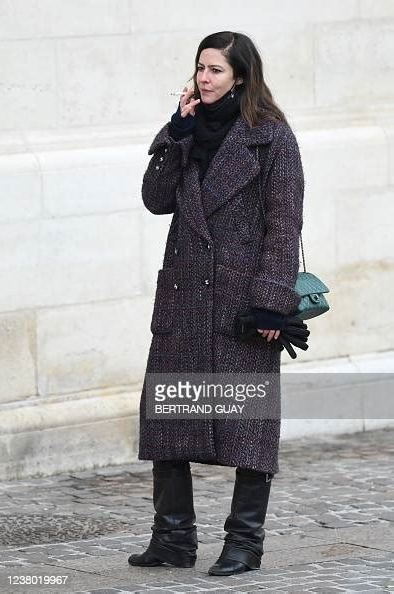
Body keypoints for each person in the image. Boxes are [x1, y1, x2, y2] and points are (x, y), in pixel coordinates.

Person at [128, 31, 304, 576]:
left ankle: (244, 544)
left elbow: (284, 222)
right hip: (184, 297)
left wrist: (273, 301)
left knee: (247, 423)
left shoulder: (271, 138)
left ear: (242, 77)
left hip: (241, 302)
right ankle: (173, 538)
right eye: (200, 68)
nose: (204, 78)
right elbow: (156, 200)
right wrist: (176, 132)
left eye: (216, 71)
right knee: (170, 418)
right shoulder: (186, 132)